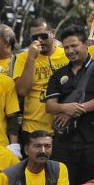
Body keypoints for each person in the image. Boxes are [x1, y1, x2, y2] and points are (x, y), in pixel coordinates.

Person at [45, 26, 94, 185]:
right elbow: (50, 106)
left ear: (86, 44)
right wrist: (65, 108)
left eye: (74, 46)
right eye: (66, 47)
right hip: (64, 143)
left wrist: (75, 109)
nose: (70, 51)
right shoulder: (59, 74)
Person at [12, 18, 68, 148]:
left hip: (64, 127)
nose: (40, 40)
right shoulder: (23, 58)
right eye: (35, 37)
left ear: (53, 33)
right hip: (33, 128)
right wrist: (31, 58)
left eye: (43, 36)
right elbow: (22, 91)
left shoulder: (67, 53)